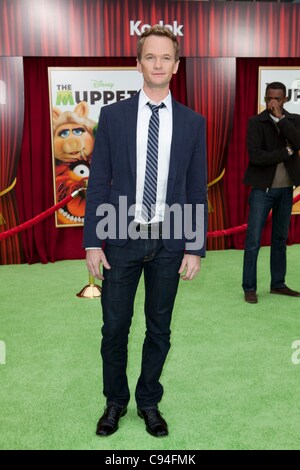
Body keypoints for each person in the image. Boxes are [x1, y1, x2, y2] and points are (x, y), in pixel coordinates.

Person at [83, 25, 207, 437]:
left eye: (165, 57)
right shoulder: (114, 116)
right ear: (138, 64)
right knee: (114, 327)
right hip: (120, 236)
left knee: (160, 327)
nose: (158, 64)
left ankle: (149, 401)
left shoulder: (192, 122)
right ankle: (115, 402)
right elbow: (98, 180)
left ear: (176, 65)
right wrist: (91, 242)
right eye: (150, 57)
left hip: (171, 242)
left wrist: (194, 247)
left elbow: (194, 187)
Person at [242, 81, 300, 304]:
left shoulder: (293, 120)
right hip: (261, 191)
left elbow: (298, 142)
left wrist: (283, 121)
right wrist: (286, 152)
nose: (271, 102)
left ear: (285, 99)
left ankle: (278, 284)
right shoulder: (256, 122)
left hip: (286, 191)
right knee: (253, 241)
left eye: (276, 98)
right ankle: (249, 287)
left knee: (279, 239)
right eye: (268, 98)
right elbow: (256, 157)